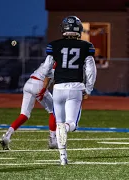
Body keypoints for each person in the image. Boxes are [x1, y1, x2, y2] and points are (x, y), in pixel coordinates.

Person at [40, 16, 97, 165]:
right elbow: (91, 70)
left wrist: (46, 82)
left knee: (59, 123)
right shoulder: (86, 46)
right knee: (71, 124)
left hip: (58, 88)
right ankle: (65, 130)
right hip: (75, 88)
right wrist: (88, 88)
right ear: (79, 29)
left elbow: (46, 68)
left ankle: (63, 157)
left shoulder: (54, 45)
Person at [0, 63, 57, 150]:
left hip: (29, 83)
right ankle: (53, 140)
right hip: (39, 84)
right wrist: (44, 89)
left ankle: (7, 135)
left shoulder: (48, 60)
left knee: (24, 114)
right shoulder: (57, 62)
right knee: (54, 110)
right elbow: (48, 77)